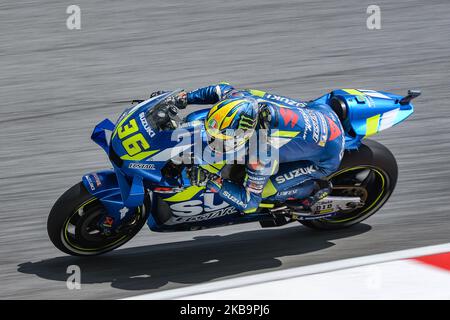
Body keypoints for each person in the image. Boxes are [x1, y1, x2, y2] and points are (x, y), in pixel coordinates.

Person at [151, 83, 345, 214]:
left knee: (266, 191)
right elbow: (220, 89)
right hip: (320, 113)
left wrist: (212, 180)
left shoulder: (261, 153)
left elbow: (249, 203)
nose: (212, 139)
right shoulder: (240, 100)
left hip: (326, 157)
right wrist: (183, 98)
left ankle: (311, 192)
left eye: (221, 137)